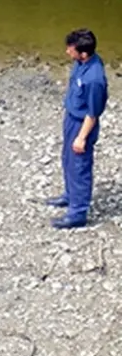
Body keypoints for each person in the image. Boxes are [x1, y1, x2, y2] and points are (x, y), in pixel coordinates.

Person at [46, 28, 108, 229]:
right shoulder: (80, 62)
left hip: (82, 124)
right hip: (71, 118)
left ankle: (77, 213)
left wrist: (81, 138)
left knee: (79, 166)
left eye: (70, 50)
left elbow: (93, 113)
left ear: (83, 53)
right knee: (67, 159)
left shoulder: (94, 79)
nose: (67, 53)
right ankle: (69, 195)